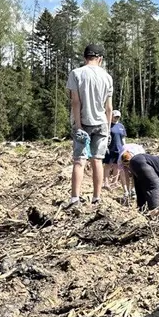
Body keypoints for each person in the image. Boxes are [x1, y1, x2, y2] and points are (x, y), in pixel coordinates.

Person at [67, 44, 114, 207]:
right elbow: (109, 108)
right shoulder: (107, 77)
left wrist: (78, 126)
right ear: (100, 59)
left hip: (84, 122)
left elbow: (75, 102)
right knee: (97, 161)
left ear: (85, 57)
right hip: (101, 123)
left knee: (79, 161)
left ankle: (75, 199)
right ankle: (96, 197)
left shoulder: (76, 74)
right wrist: (108, 131)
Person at [104, 110, 127, 188]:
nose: (116, 118)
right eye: (115, 116)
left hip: (119, 149)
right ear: (111, 116)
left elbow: (123, 138)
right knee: (107, 165)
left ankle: (114, 182)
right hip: (109, 149)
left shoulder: (121, 126)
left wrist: (125, 147)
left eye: (118, 117)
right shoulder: (108, 125)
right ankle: (106, 183)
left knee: (117, 166)